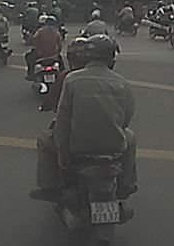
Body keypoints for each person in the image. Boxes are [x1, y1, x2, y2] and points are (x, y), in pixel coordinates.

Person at [31, 33, 137, 202]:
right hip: (114, 149)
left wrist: (62, 154)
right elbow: (126, 118)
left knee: (44, 141)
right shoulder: (122, 83)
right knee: (131, 137)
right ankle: (126, 184)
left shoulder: (72, 80)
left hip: (78, 149)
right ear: (112, 59)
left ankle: (49, 187)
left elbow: (63, 120)